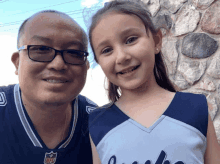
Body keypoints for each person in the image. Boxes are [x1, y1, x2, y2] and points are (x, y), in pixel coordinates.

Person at [87, 1, 220, 163]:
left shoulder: (196, 107)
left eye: (130, 40)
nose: (121, 57)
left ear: (156, 41)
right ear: (99, 62)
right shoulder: (97, 123)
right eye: (107, 50)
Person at [0, 10, 98, 164]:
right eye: (41, 49)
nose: (58, 65)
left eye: (73, 52)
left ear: (86, 66)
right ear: (17, 62)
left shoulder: (98, 123)